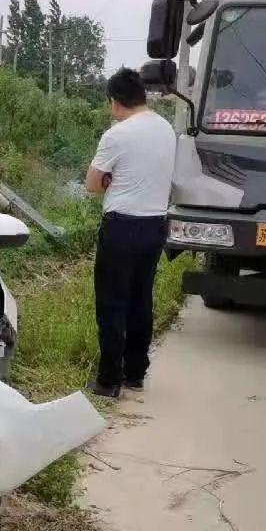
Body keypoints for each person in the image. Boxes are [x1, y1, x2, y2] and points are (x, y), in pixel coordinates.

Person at [84, 67, 177, 398]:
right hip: (155, 226)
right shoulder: (166, 129)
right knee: (140, 299)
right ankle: (135, 373)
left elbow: (92, 184)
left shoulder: (116, 135)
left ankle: (108, 380)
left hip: (122, 226)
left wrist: (111, 178)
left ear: (114, 101)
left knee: (112, 303)